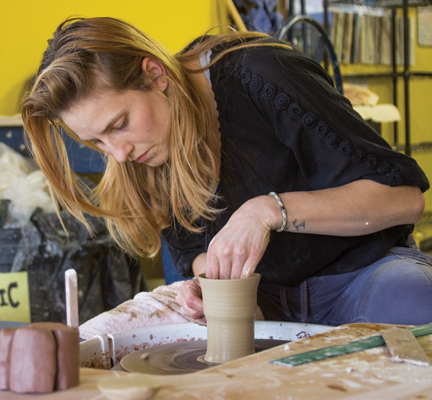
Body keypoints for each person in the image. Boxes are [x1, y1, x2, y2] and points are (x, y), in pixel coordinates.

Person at [22, 17, 432, 327]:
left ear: (155, 75)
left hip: (360, 278)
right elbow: (195, 253)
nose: (119, 153)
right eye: (96, 143)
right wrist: (210, 285)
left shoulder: (260, 73)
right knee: (116, 333)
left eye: (118, 125)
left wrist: (269, 211)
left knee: (415, 298)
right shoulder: (140, 155)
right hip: (264, 302)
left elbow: (405, 199)